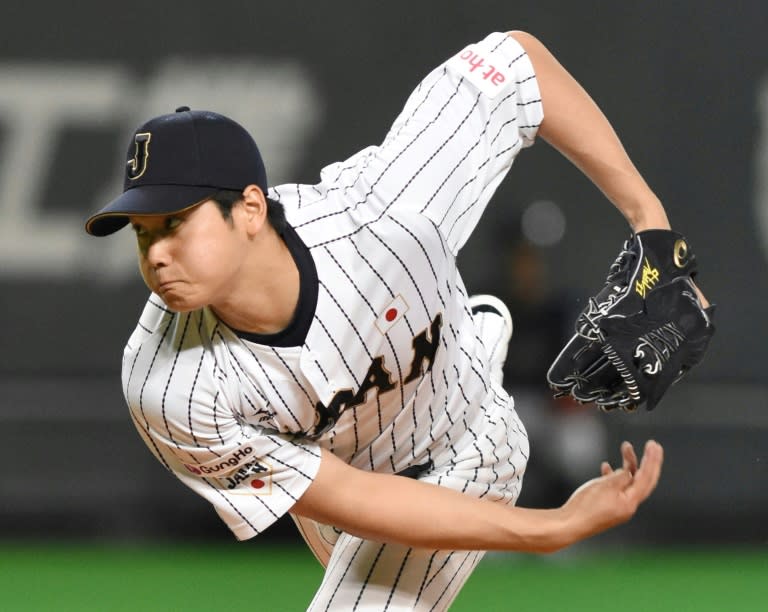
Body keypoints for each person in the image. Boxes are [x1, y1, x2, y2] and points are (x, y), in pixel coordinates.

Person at [85, 31, 668, 610]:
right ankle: (472, 328)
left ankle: (473, 338)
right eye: (143, 232)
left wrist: (651, 222)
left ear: (251, 209)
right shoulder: (166, 383)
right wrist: (552, 529)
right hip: (351, 486)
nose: (156, 253)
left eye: (175, 223)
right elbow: (352, 497)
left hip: (463, 439)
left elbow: (517, 63)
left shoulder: (386, 214)